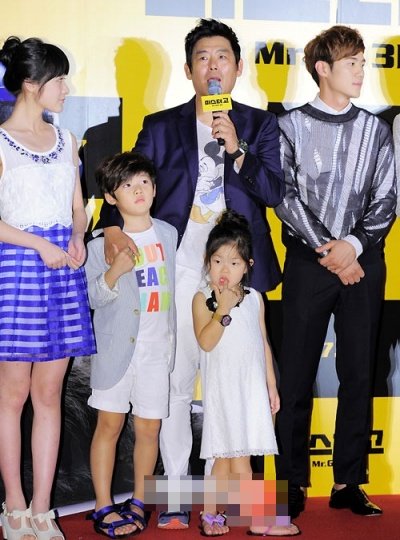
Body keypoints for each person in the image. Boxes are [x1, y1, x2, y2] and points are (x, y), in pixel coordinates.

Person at [97, 18, 284, 529]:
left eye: (222, 57)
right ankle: (177, 495)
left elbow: (274, 192)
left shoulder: (260, 125)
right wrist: (110, 228)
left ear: (238, 68)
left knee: (241, 386)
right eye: (203, 57)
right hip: (177, 268)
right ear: (188, 69)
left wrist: (238, 150)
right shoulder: (161, 126)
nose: (213, 66)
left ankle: (242, 505)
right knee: (177, 385)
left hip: (238, 273)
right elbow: (126, 186)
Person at [274, 25, 397, 519]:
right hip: (309, 263)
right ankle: (291, 481)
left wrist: (353, 247)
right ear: (323, 69)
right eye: (352, 63)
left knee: (359, 373)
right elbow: (284, 197)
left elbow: (387, 198)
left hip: (364, 262)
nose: (362, 72)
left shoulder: (376, 129)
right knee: (296, 375)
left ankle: (349, 481)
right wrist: (330, 251)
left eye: (363, 63)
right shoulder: (288, 126)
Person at [0, 36, 96, 540]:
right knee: (13, 395)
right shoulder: (0, 142)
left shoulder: (67, 139)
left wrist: (77, 236)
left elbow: (78, 208)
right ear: (32, 85)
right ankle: (14, 506)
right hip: (17, 271)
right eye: (59, 79)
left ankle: (42, 508)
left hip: (62, 273)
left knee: (50, 393)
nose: (66, 88)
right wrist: (38, 244)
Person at [85, 152, 177, 537]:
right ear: (111, 197)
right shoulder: (98, 245)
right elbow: (92, 298)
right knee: (109, 425)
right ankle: (102, 505)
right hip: (115, 352)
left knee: (149, 429)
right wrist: (114, 272)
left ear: (155, 189)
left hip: (157, 351)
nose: (138, 190)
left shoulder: (169, 234)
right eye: (127, 185)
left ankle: (140, 501)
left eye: (144, 182)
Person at [192, 209, 299, 537]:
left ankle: (212, 514)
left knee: (232, 457)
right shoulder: (202, 298)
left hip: (250, 389)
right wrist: (223, 310)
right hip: (223, 389)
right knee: (233, 458)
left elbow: (263, 342)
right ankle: (255, 519)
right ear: (207, 262)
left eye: (234, 262)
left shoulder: (255, 299)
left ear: (248, 266)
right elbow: (206, 342)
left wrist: (271, 385)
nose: (225, 269)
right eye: (218, 261)